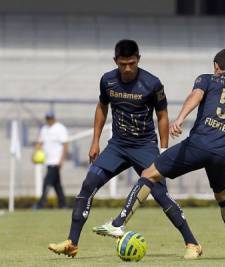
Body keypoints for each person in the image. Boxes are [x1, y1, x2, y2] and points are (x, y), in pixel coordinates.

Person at [94, 48, 225, 259]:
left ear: (216, 67)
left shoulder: (207, 79)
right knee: (223, 196)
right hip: (222, 153)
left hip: (198, 145)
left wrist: (180, 118)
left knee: (149, 174)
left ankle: (118, 224)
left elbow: (196, 95)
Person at [48, 39, 200, 259]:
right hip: (117, 147)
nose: (127, 68)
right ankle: (72, 242)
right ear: (115, 61)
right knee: (88, 184)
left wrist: (164, 148)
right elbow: (102, 107)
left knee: (160, 194)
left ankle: (192, 243)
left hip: (145, 147)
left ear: (138, 59)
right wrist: (95, 141)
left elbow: (162, 115)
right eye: (122, 64)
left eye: (131, 63)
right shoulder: (107, 81)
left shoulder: (153, 83)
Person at [33, 111, 68, 209]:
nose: (49, 120)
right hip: (47, 161)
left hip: (56, 161)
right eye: (47, 118)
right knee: (57, 185)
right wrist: (34, 154)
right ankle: (63, 204)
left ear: (54, 118)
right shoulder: (44, 129)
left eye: (50, 118)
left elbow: (65, 145)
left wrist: (61, 160)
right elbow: (39, 143)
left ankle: (40, 204)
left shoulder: (60, 128)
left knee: (46, 182)